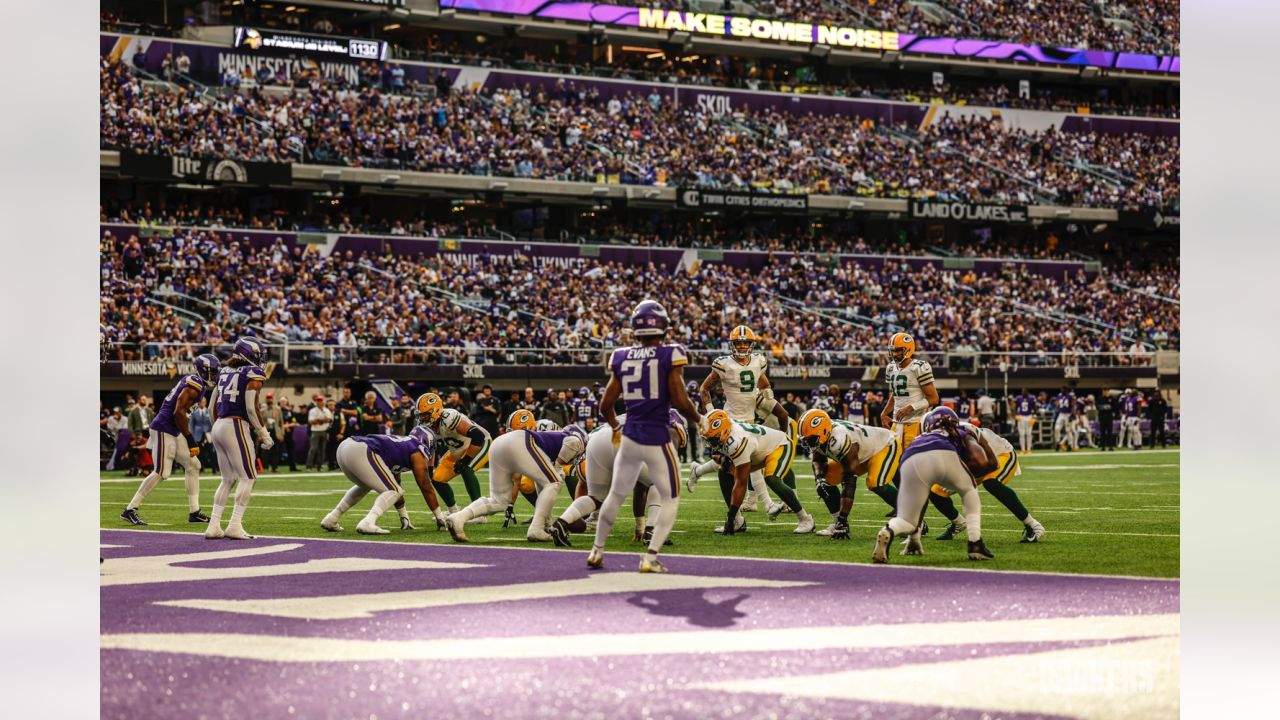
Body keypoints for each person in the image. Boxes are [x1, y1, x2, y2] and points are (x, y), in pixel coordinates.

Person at [586, 300, 702, 573]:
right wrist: (700, 419)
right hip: (657, 438)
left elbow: (605, 405)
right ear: (662, 326)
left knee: (615, 494)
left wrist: (615, 426)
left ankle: (597, 551)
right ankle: (650, 558)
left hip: (629, 437)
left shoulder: (621, 355)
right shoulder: (670, 354)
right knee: (670, 497)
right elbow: (680, 400)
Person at [872, 407, 996, 563]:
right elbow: (987, 464)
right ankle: (975, 544)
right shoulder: (959, 433)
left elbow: (922, 501)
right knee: (969, 492)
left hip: (909, 460)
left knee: (907, 519)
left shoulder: (920, 437)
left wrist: (914, 538)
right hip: (944, 453)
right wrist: (982, 442)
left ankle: (889, 530)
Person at [549, 409, 687, 548]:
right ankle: (652, 532)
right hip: (623, 437)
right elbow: (672, 440)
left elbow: (640, 486)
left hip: (595, 440)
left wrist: (640, 526)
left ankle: (561, 523)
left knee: (596, 498)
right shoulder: (674, 420)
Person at [120, 354, 219, 526]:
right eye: (213, 372)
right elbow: (178, 412)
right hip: (164, 428)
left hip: (173, 428)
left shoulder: (197, 383)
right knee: (161, 472)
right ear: (204, 371)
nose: (215, 376)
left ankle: (194, 512)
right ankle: (130, 509)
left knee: (194, 465)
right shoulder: (194, 385)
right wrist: (190, 439)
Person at [445, 424, 588, 542]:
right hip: (520, 440)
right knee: (555, 482)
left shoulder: (553, 440)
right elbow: (573, 442)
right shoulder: (578, 439)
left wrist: (548, 523)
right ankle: (536, 529)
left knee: (499, 501)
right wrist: (558, 466)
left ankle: (458, 518)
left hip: (499, 443)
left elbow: (541, 484)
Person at [698, 325, 781, 515]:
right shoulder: (723, 364)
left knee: (744, 464)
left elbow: (764, 384)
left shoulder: (758, 361)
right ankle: (766, 505)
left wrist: (767, 400)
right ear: (732, 344)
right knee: (734, 466)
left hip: (750, 419)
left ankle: (698, 472)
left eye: (746, 343)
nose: (742, 346)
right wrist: (712, 413)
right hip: (732, 422)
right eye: (739, 343)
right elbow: (704, 388)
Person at [696, 409, 815, 536]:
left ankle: (805, 519)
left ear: (723, 432)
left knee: (772, 479)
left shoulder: (737, 442)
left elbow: (741, 483)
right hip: (757, 451)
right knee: (724, 471)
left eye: (712, 439)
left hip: (779, 445)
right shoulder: (727, 430)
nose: (710, 443)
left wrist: (729, 517)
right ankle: (737, 521)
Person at [928, 422, 1046, 543]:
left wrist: (961, 480)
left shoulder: (967, 436)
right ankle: (958, 523)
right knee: (935, 491)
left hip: (1001, 454)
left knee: (991, 483)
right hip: (975, 465)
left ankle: (1033, 525)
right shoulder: (934, 440)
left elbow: (987, 465)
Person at [322, 426, 446, 535]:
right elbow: (425, 485)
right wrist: (440, 517)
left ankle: (332, 518)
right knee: (395, 490)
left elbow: (395, 481)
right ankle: (368, 522)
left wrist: (404, 516)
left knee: (367, 485)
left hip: (345, 447)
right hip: (361, 449)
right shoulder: (417, 449)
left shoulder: (403, 446)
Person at [206, 337, 273, 540]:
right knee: (248, 477)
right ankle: (234, 524)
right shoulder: (253, 373)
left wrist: (217, 427)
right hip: (235, 424)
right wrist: (264, 434)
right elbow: (251, 409)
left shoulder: (223, 372)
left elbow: (211, 407)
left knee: (227, 479)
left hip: (218, 425)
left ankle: (213, 526)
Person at [797, 409, 900, 538]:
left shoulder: (840, 438)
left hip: (884, 445)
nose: (807, 443)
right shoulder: (822, 435)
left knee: (875, 483)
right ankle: (836, 522)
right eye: (805, 440)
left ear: (823, 432)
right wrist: (819, 478)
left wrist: (843, 518)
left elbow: (850, 480)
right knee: (825, 482)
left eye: (810, 439)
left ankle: (911, 517)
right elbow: (818, 460)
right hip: (860, 453)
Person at [415, 392, 490, 514]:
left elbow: (478, 436)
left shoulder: (448, 417)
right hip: (457, 450)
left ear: (436, 410)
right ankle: (454, 511)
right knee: (437, 479)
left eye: (425, 415)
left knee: (466, 469)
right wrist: (429, 469)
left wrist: (465, 460)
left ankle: (479, 513)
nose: (423, 418)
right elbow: (432, 447)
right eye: (421, 415)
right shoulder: (429, 426)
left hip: (480, 444)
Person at [307, 394, 333, 471]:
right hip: (315, 431)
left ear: (323, 402)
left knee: (322, 449)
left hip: (324, 430)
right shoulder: (312, 410)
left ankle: (320, 465)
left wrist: (318, 420)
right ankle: (309, 465)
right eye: (318, 401)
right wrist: (322, 420)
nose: (319, 402)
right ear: (316, 402)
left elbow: (329, 420)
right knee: (313, 449)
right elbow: (312, 422)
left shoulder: (327, 410)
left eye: (321, 401)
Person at [1010, 388, 1037, 455]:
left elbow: (1035, 407)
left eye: (1024, 391)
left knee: (1029, 434)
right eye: (1022, 391)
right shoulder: (1018, 398)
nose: (1023, 392)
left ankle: (1028, 449)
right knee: (1021, 434)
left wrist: (1034, 416)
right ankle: (1023, 449)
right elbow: (1014, 407)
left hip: (1029, 416)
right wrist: (1015, 415)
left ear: (1028, 392)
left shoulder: (1032, 398)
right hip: (1021, 416)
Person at [1051, 387, 1078, 451]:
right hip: (1061, 414)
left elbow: (1073, 405)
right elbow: (1057, 404)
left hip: (1068, 414)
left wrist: (1072, 414)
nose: (1062, 390)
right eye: (1061, 389)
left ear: (1066, 390)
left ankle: (1070, 445)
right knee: (1056, 429)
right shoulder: (1059, 395)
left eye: (1063, 389)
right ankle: (1058, 442)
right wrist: (1056, 405)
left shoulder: (1070, 396)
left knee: (1068, 430)